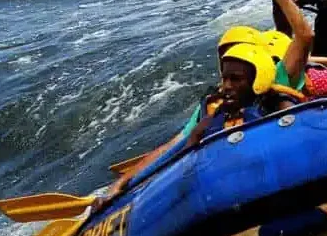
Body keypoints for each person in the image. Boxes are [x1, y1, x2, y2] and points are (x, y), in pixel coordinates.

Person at [96, 43, 303, 208]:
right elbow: (177, 157)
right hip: (222, 195)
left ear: (258, 81)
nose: (227, 86)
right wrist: (120, 184)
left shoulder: (276, 105)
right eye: (225, 79)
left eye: (236, 80)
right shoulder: (211, 117)